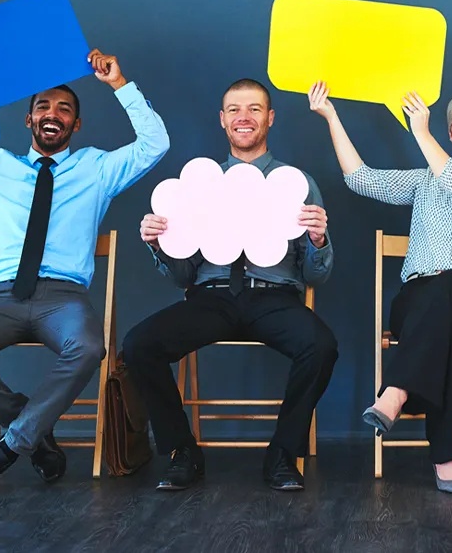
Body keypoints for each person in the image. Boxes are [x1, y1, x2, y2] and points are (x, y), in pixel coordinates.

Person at [0, 45, 170, 490]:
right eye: (42, 106)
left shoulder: (97, 169)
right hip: (1, 298)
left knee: (87, 348)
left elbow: (155, 143)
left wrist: (119, 85)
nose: (53, 112)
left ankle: (9, 447)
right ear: (29, 120)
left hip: (62, 301)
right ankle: (30, 426)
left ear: (76, 124)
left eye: (64, 108)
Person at [124, 78, 337, 493]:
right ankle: (182, 451)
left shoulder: (295, 183)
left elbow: (317, 275)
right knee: (138, 345)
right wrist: (160, 246)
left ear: (270, 119)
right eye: (235, 109)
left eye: (255, 109)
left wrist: (319, 241)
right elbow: (183, 277)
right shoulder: (199, 184)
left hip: (274, 296)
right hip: (212, 297)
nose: (244, 117)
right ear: (222, 120)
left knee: (322, 345)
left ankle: (282, 454)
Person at [310, 82, 452, 493]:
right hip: (418, 303)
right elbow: (360, 179)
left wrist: (420, 132)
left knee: (448, 294)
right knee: (444, 323)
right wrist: (331, 117)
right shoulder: (424, 181)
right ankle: (446, 458)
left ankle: (395, 391)